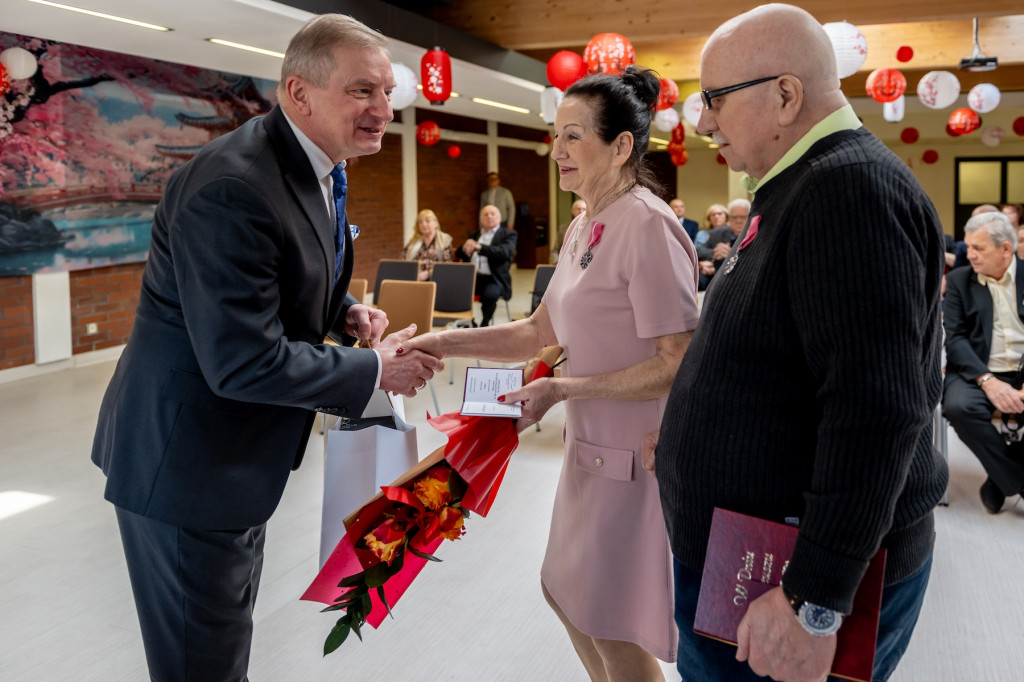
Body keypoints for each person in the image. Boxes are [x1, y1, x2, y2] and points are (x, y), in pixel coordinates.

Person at [89, 15, 443, 681]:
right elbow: (242, 359)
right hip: (188, 466)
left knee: (219, 646)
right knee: (201, 663)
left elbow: (286, 270)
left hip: (237, 461)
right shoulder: (233, 186)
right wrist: (375, 369)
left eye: (387, 92)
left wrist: (344, 311)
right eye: (361, 91)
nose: (383, 110)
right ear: (299, 93)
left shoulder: (316, 164)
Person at [649, 5, 947, 681]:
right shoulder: (796, 183)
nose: (704, 122)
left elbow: (875, 412)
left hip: (786, 575)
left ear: (786, 95)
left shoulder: (845, 190)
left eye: (715, 100)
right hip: (748, 554)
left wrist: (813, 600)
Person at [407, 65, 699, 681]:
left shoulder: (648, 226)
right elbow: (539, 331)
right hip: (588, 448)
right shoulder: (583, 225)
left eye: (573, 136)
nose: (557, 150)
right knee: (565, 595)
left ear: (621, 146)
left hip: (634, 454)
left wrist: (564, 388)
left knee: (608, 620)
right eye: (555, 135)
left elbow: (677, 361)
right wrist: (442, 341)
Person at [942, 211, 1024, 514]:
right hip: (976, 371)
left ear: (1006, 249)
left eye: (979, 248)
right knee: (958, 407)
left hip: (1021, 371)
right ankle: (1016, 480)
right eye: (968, 247)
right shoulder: (960, 281)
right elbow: (955, 339)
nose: (970, 254)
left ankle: (999, 477)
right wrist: (988, 381)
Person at [458, 204, 516, 326]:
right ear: (481, 219)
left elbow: (504, 252)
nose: (489, 216)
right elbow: (459, 253)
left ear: (500, 218)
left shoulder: (508, 234)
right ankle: (468, 321)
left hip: (494, 279)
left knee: (490, 295)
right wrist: (465, 247)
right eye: (485, 214)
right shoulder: (474, 235)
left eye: (492, 214)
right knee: (455, 290)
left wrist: (480, 247)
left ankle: (484, 324)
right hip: (473, 278)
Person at [403, 208, 453, 280]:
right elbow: (403, 264)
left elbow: (448, 266)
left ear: (435, 223)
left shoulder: (445, 241)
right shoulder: (412, 244)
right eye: (420, 222)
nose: (424, 224)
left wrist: (429, 274)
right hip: (415, 280)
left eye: (427, 221)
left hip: (437, 280)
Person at [550, 198, 586, 264]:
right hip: (565, 264)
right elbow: (555, 251)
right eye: (578, 209)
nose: (581, 211)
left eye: (584, 209)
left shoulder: (591, 227)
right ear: (572, 211)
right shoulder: (563, 228)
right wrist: (557, 263)